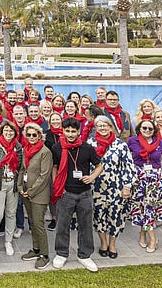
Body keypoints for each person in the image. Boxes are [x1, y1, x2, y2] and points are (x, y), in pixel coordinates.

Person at [50, 117, 103, 273]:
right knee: (62, 225)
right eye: (68, 131)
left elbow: (99, 165)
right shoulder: (56, 148)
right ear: (63, 130)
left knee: (86, 226)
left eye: (74, 131)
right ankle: (61, 253)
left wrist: (92, 177)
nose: (71, 134)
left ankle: (84, 255)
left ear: (78, 131)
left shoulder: (87, 148)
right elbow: (54, 167)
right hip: (66, 193)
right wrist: (57, 185)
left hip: (85, 193)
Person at [89, 115, 135, 259]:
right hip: (97, 188)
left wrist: (127, 186)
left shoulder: (120, 145)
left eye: (105, 125)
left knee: (116, 217)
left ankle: (112, 245)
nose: (102, 128)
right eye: (99, 126)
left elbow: (129, 167)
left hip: (117, 188)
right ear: (96, 128)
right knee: (99, 216)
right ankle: (103, 243)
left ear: (110, 127)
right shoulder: (90, 143)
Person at [127, 118, 162, 252]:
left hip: (155, 179)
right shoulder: (132, 141)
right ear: (139, 129)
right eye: (144, 128)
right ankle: (149, 236)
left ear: (154, 130)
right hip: (138, 178)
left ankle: (147, 235)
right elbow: (128, 161)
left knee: (149, 209)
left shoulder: (160, 143)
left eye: (150, 129)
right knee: (142, 208)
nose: (147, 131)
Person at [18, 122, 53, 269]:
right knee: (32, 222)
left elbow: (44, 176)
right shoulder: (26, 149)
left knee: (38, 224)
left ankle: (44, 255)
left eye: (34, 135)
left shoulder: (45, 152)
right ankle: (36, 249)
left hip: (39, 194)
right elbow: (22, 170)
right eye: (29, 135)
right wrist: (20, 186)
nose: (31, 137)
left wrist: (31, 191)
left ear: (39, 136)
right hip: (26, 192)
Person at [0, 120, 22, 257]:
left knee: (11, 213)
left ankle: (8, 241)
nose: (9, 133)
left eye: (11, 131)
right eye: (6, 130)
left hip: (12, 183)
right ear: (2, 132)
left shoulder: (18, 147)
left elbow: (20, 166)